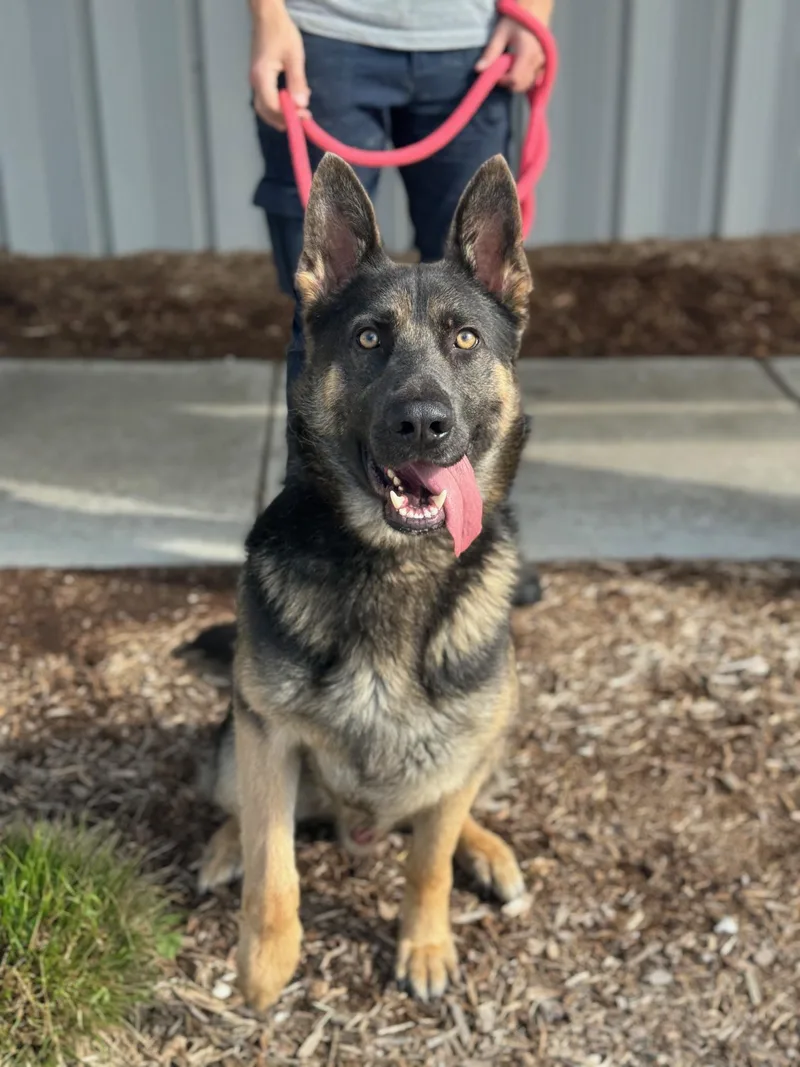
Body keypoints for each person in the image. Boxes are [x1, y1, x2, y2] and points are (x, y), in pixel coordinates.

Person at [249, 0, 553, 605]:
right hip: (324, 38)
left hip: (472, 42)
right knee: (329, 313)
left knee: (475, 311)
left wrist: (532, 10)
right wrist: (268, 17)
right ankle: (309, 544)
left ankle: (476, 533)